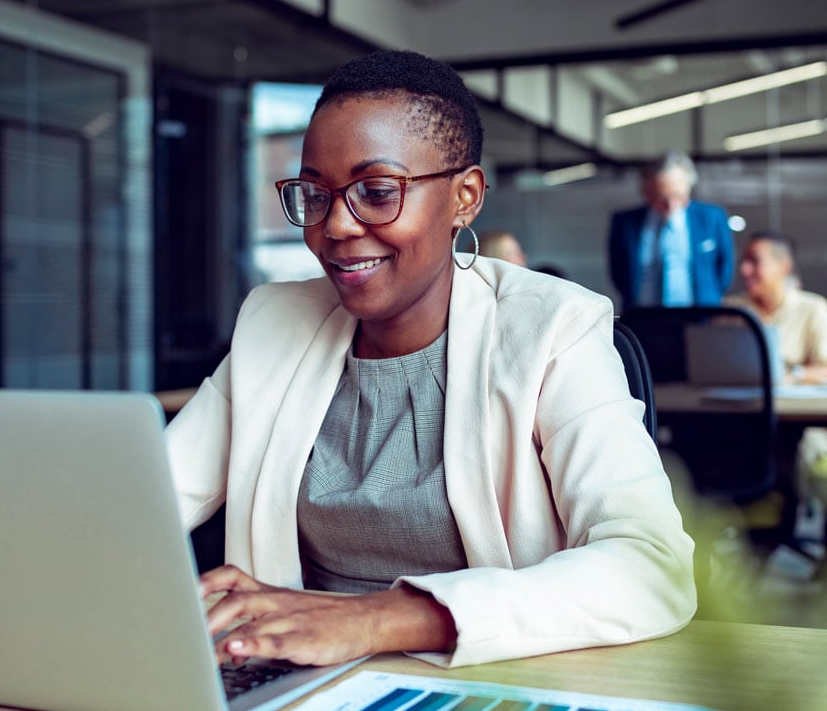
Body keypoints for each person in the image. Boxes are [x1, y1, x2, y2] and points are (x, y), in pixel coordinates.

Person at [165, 50, 696, 670]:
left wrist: (376, 621)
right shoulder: (273, 324)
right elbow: (142, 506)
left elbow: (650, 564)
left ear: (465, 197)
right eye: (315, 193)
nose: (335, 225)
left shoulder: (553, 327)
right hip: (295, 683)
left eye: (377, 191)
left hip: (490, 683)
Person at [608, 151, 734, 311]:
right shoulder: (624, 222)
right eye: (662, 198)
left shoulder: (712, 218)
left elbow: (724, 272)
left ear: (688, 189)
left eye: (678, 196)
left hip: (700, 318)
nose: (671, 205)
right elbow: (618, 274)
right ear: (646, 192)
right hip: (642, 318)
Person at [725, 231, 827, 385]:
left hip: (793, 406)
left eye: (755, 261)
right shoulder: (730, 309)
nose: (744, 270)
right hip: (734, 402)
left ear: (784, 267)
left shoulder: (813, 309)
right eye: (744, 261)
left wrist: (794, 375)